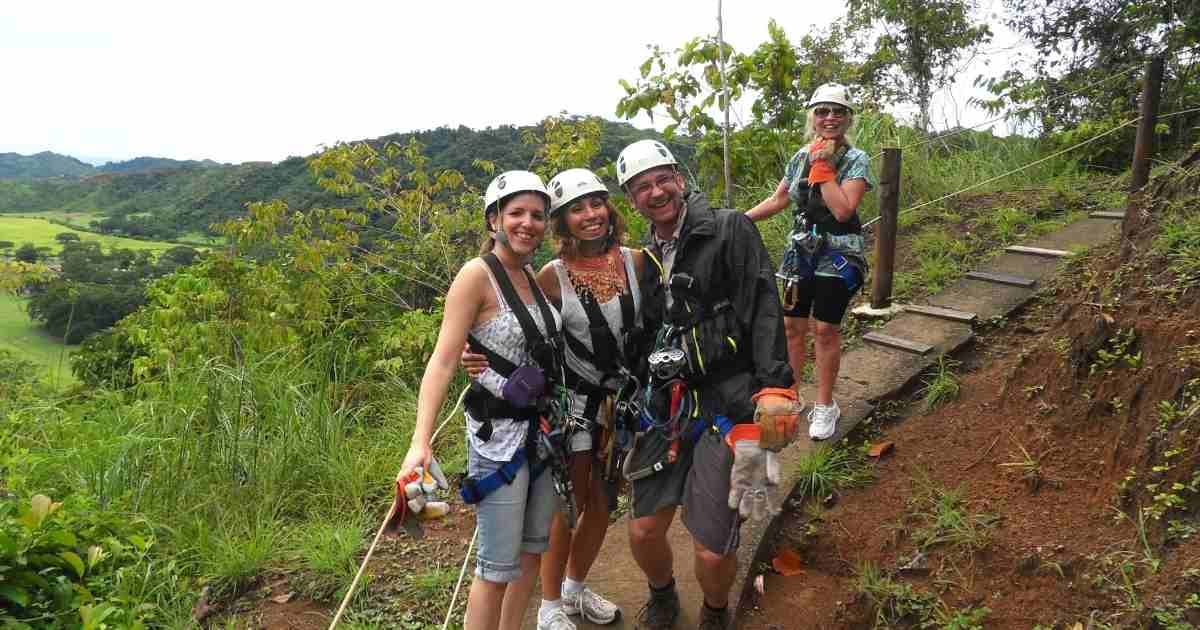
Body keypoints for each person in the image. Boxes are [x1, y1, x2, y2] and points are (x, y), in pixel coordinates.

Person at [616, 139, 800, 630]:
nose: (656, 192)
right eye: (641, 187)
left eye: (662, 179)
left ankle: (715, 612)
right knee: (643, 529)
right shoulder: (643, 261)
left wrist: (775, 387)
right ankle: (662, 594)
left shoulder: (727, 229)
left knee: (713, 550)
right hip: (668, 404)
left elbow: (762, 303)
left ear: (680, 178)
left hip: (728, 398)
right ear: (631, 200)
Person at [464, 168, 642, 630]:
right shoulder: (549, 275)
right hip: (572, 408)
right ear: (561, 222)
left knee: (604, 501)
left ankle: (574, 589)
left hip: (620, 403)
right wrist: (480, 359)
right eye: (576, 209)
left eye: (596, 204)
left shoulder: (637, 262)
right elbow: (524, 328)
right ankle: (548, 605)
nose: (590, 215)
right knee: (569, 503)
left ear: (609, 207)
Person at [398, 170, 564, 630]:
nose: (527, 223)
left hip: (543, 433)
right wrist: (420, 440)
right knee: (495, 569)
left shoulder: (531, 273)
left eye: (537, 215)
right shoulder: (477, 275)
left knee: (532, 552)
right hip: (498, 441)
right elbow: (444, 360)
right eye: (516, 213)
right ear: (494, 220)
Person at [745, 83, 874, 442]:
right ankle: (792, 395)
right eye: (822, 111)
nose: (829, 117)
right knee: (791, 327)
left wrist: (823, 168)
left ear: (848, 118)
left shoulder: (856, 159)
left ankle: (825, 404)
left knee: (825, 329)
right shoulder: (800, 156)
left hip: (839, 252)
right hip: (800, 250)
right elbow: (779, 199)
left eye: (837, 111)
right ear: (812, 117)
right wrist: (738, 219)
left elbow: (844, 208)